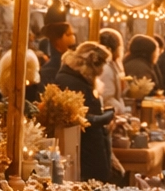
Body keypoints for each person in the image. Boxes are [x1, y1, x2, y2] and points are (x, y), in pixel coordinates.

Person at [52, 42, 121, 183]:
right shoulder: (73, 81)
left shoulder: (77, 78)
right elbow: (78, 116)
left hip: (89, 144)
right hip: (84, 146)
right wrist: (104, 118)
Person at [38, 1, 76, 85]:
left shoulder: (72, 69)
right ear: (57, 40)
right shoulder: (48, 72)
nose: (73, 38)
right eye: (69, 34)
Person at [96, 28, 129, 113]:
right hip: (109, 114)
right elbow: (107, 98)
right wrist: (123, 111)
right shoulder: (106, 68)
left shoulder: (113, 65)